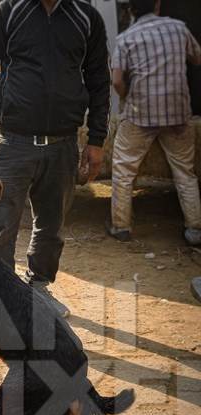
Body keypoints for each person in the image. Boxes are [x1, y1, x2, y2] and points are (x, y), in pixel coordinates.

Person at [0, 0, 110, 317]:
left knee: (51, 226)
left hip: (63, 145)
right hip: (13, 143)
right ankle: (2, 299)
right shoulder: (9, 11)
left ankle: (39, 289)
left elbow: (100, 80)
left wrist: (97, 140)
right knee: (2, 224)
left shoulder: (86, 18)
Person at [108, 0, 201, 244]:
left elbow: (116, 80)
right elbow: (197, 58)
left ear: (130, 10)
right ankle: (195, 230)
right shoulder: (179, 28)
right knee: (185, 173)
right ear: (157, 5)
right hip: (179, 115)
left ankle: (121, 227)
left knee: (123, 170)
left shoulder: (126, 38)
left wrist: (127, 97)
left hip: (141, 115)